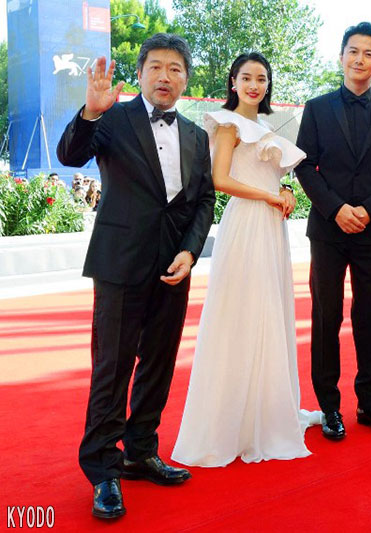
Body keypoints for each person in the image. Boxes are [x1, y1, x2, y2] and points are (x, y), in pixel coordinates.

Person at [56, 33, 215, 519]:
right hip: (121, 262)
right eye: (156, 67)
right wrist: (90, 112)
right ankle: (103, 470)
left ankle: (140, 452)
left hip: (173, 267)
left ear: (186, 79)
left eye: (175, 69)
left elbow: (204, 200)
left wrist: (190, 252)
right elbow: (70, 155)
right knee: (113, 367)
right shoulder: (112, 118)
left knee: (158, 364)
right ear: (141, 73)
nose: (165, 76)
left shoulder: (196, 135)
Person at [172, 52, 321, 468]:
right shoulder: (226, 124)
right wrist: (272, 195)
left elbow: (271, 175)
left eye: (262, 78)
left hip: (271, 227)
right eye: (247, 77)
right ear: (233, 82)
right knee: (243, 314)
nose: (255, 85)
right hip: (245, 226)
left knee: (270, 312)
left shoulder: (268, 128)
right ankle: (231, 423)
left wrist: (284, 191)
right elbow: (220, 180)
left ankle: (268, 414)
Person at [296, 22, 371, 440]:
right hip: (328, 231)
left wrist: (369, 210)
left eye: (368, 53)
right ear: (341, 57)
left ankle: (369, 404)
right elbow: (305, 165)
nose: (359, 59)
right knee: (326, 317)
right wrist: (336, 209)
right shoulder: (317, 108)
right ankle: (329, 407)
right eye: (353, 51)